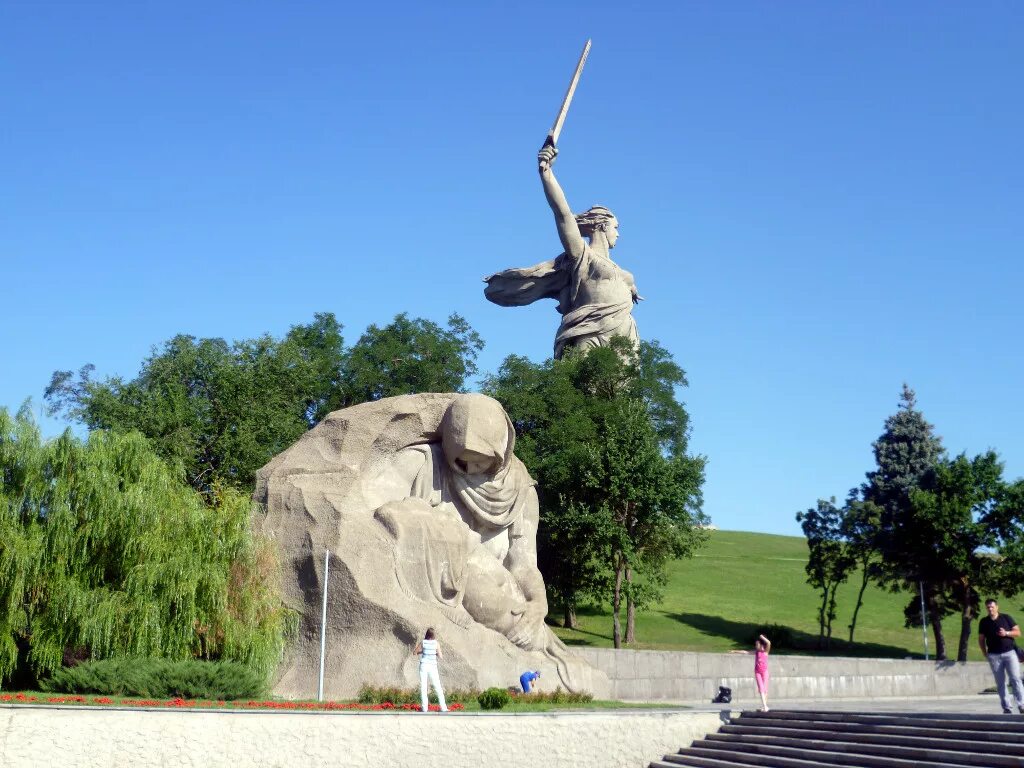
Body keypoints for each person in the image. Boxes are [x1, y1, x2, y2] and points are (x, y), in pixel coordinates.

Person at [484, 144, 642, 359]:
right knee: (585, 383)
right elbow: (563, 214)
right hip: (590, 329)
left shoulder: (624, 273)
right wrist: (546, 173)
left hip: (624, 332)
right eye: (616, 227)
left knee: (624, 390)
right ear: (602, 225)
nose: (618, 234)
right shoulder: (583, 256)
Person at [978, 598, 1024, 714]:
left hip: (1010, 653)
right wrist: (984, 652)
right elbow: (981, 639)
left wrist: (1006, 633)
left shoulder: (1006, 618)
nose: (990, 609)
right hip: (994, 655)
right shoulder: (984, 621)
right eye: (988, 607)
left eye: (992, 607)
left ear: (997, 607)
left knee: (1015, 679)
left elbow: (1018, 633)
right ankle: (1007, 707)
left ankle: (1022, 705)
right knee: (1000, 682)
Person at [414, 627, 448, 713]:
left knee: (423, 687)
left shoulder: (423, 642)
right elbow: (441, 656)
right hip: (432, 666)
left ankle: (424, 708)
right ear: (433, 635)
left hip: (424, 665)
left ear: (427, 634)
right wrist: (435, 652)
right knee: (438, 686)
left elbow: (414, 653)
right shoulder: (436, 643)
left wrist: (423, 651)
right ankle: (443, 708)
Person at [754, 634, 771, 712]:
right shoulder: (756, 652)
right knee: (761, 689)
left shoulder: (765, 652)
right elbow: (745, 652)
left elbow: (769, 643)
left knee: (765, 690)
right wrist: (735, 651)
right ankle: (765, 706)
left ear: (761, 645)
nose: (756, 646)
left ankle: (764, 706)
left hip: (765, 672)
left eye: (757, 644)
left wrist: (762, 637)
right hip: (757, 672)